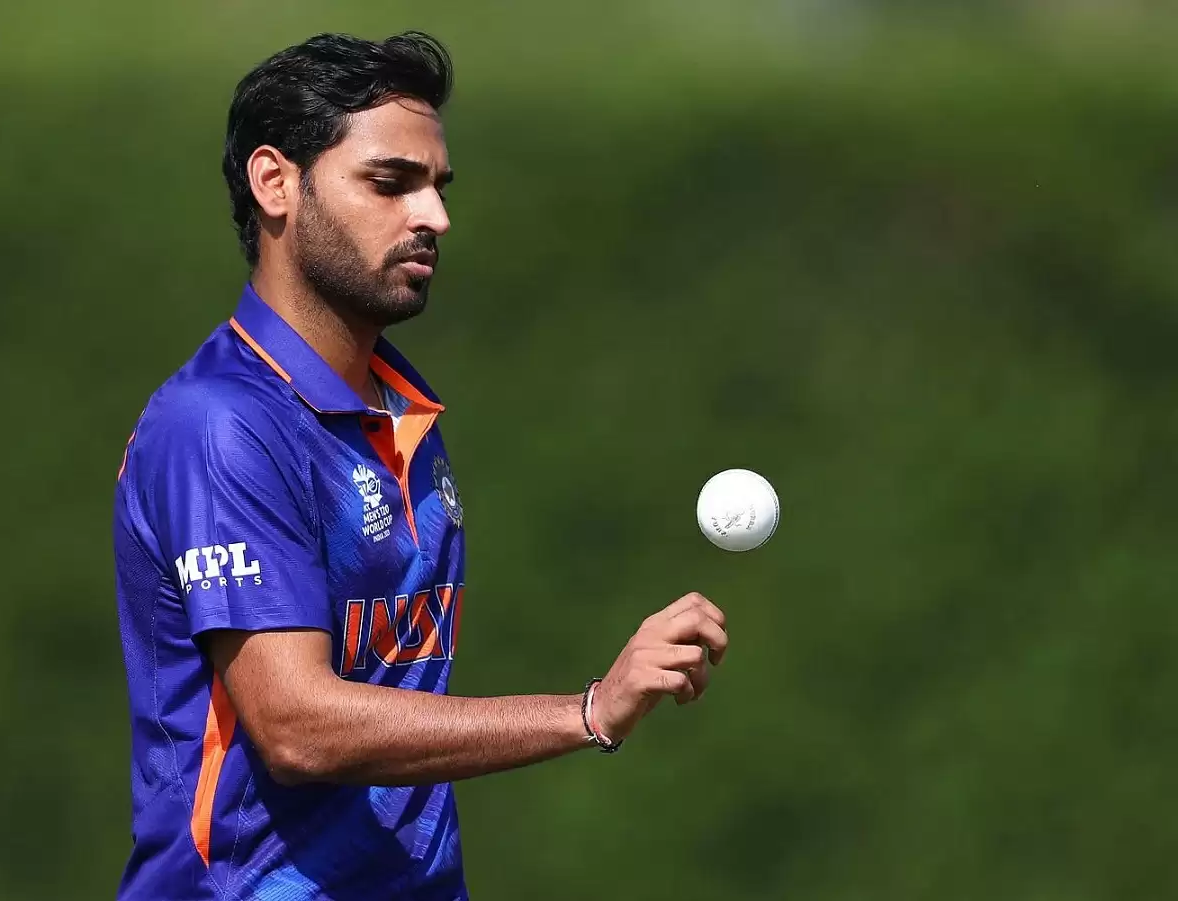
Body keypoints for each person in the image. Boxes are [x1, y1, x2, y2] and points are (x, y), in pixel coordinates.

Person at [113, 30, 730, 900]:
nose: (434, 217)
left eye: (438, 187)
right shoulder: (222, 424)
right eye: (390, 182)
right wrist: (586, 711)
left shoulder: (403, 408)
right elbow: (297, 728)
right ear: (275, 182)